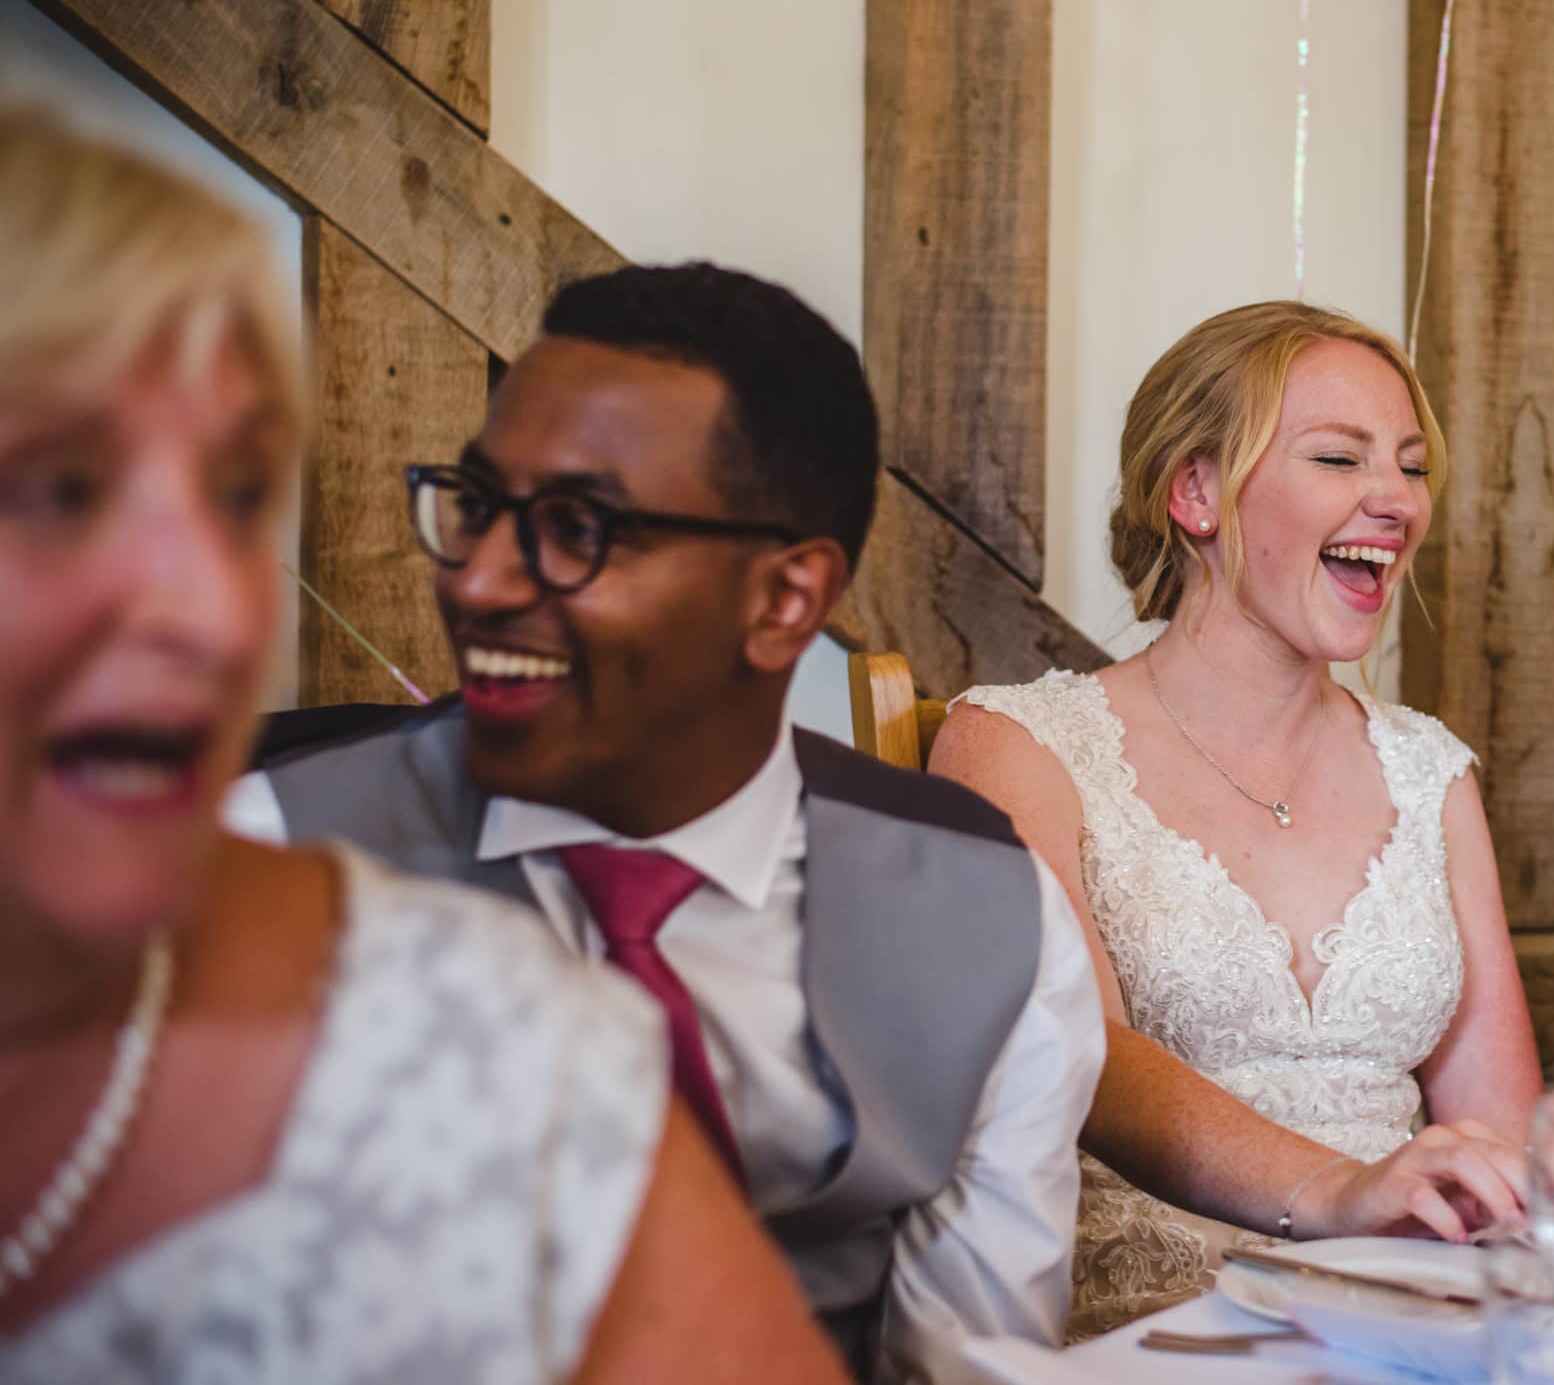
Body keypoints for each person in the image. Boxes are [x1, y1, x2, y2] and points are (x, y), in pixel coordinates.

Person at [0, 112, 846, 1383]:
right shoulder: (301, 820)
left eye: (238, 498)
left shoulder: (491, 1042)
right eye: (64, 489)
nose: (219, 610)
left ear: (789, 600)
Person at [222, 264, 1104, 1383]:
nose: (480, 582)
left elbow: (967, 1364)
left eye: (578, 527)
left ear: (784, 599)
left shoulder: (988, 919)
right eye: (480, 506)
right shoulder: (259, 864)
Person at [934, 301, 1542, 1337]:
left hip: (1408, 1320)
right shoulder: (1017, 747)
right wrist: (1342, 1192)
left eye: (1409, 466)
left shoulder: (1428, 768)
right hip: (1154, 1324)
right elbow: (1085, 1058)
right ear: (1198, 492)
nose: (1396, 500)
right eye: (1339, 459)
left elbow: (1498, 1124)